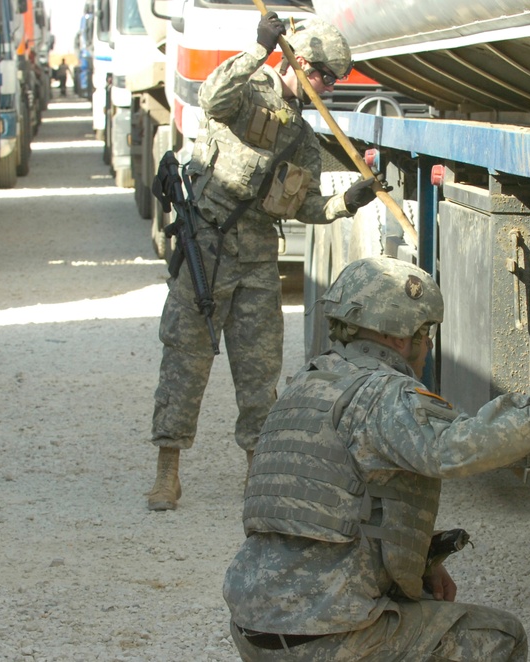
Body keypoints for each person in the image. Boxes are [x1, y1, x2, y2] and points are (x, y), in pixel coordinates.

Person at [223, 256, 530, 660]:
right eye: (425, 334)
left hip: (255, 632)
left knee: (421, 612)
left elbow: (331, 510)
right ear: (401, 338)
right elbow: (457, 446)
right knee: (501, 638)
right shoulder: (382, 392)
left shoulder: (304, 387)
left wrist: (424, 560)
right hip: (326, 642)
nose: (427, 347)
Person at [146, 13, 380, 511]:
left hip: (256, 260)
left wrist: (349, 201)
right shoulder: (248, 89)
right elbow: (211, 98)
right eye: (321, 74)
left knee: (259, 372)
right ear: (298, 59)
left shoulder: (301, 137)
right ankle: (168, 470)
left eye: (333, 81)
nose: (326, 86)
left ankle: (257, 469)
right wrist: (259, 48)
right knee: (185, 360)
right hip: (206, 246)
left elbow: (308, 204)